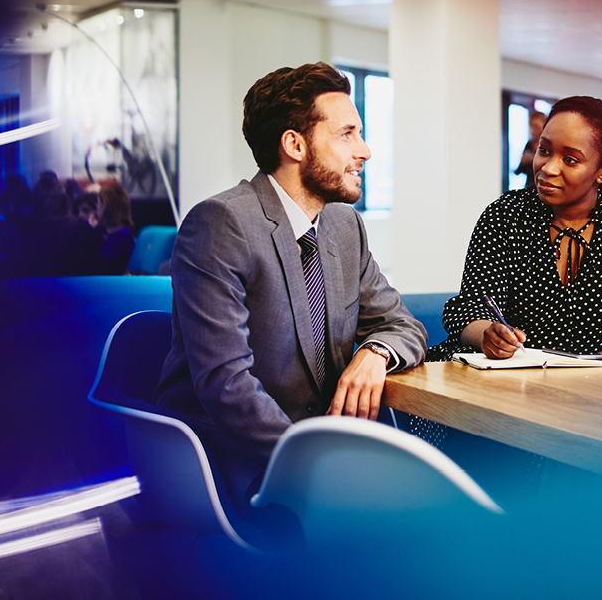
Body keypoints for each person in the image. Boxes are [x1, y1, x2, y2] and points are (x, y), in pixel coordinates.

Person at [152, 62, 427, 510]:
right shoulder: (222, 224)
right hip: (234, 457)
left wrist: (375, 352)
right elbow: (226, 385)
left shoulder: (343, 226)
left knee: (431, 510)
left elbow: (404, 326)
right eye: (347, 134)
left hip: (330, 448)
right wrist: (315, 465)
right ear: (295, 145)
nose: (366, 151)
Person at [429, 96, 602, 362]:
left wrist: (586, 369)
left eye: (570, 160)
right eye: (544, 150)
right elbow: (471, 307)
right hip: (507, 375)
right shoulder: (506, 215)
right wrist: (488, 334)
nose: (548, 167)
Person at [94, 181, 135, 275]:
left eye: (99, 204)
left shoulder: (123, 237)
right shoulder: (104, 233)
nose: (96, 208)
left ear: (108, 207)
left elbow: (100, 264)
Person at [513, 110, 547, 189]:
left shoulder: (549, 145)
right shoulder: (529, 144)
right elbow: (519, 171)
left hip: (543, 185)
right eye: (532, 126)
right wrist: (523, 162)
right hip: (529, 186)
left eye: (536, 126)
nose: (534, 129)